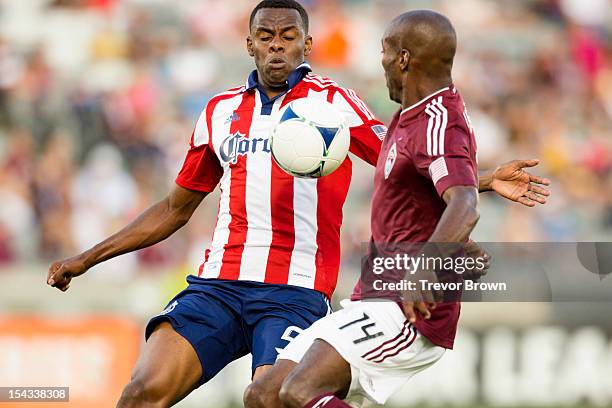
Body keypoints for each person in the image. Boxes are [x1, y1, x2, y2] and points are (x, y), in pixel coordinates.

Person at [46, 2, 550, 407]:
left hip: (295, 291)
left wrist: (477, 182)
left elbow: (404, 163)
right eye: (266, 37)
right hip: (217, 285)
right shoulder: (219, 112)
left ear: (308, 44)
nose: (277, 47)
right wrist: (86, 258)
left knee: (269, 399)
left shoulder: (336, 104)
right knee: (139, 394)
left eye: (289, 37)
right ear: (249, 44)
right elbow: (175, 209)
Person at [275, 10, 550, 408]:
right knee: (263, 394)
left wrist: (427, 265)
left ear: (404, 58)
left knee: (298, 393)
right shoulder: (412, 115)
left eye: (385, 51)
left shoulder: (439, 121)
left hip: (406, 311)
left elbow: (464, 205)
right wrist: (485, 179)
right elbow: (434, 184)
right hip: (375, 295)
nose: (382, 61)